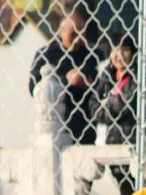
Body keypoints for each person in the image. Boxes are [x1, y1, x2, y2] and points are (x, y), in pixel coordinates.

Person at [97, 35, 146, 195]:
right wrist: (110, 107)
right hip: (114, 141)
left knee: (141, 193)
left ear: (133, 53)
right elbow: (93, 108)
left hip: (137, 142)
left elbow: (129, 104)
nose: (119, 54)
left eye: (124, 49)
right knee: (124, 194)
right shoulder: (106, 77)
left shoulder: (142, 75)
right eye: (115, 49)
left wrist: (107, 103)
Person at [29, 6, 100, 144]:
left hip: (84, 128)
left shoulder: (91, 55)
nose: (78, 39)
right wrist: (63, 81)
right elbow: (33, 87)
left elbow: (101, 85)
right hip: (54, 128)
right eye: (73, 34)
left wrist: (87, 85)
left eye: (82, 33)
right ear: (60, 31)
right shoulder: (46, 55)